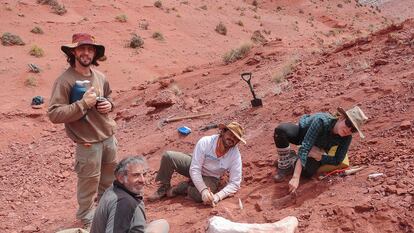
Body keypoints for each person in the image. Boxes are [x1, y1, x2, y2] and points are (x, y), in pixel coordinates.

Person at [48, 33, 117, 228]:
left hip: (109, 138)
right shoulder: (65, 81)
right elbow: (54, 114)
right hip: (88, 144)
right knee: (88, 186)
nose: (86, 53)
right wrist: (82, 104)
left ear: (94, 53)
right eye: (82, 49)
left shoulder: (100, 77)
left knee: (109, 182)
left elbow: (110, 97)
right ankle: (88, 220)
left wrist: (109, 105)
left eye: (90, 49)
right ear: (73, 52)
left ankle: (106, 214)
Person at [273, 106, 368, 193]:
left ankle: (293, 159)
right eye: (348, 123)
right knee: (281, 130)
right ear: (341, 117)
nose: (348, 130)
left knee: (308, 172)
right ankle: (284, 164)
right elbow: (305, 147)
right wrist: (295, 177)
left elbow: (338, 159)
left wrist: (320, 157)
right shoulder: (321, 121)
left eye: (353, 130)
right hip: (303, 134)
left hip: (318, 147)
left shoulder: (347, 138)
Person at [148, 122, 245, 207]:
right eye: (230, 134)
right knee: (168, 156)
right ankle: (163, 188)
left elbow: (235, 183)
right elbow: (195, 169)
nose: (232, 139)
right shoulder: (206, 142)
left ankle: (183, 188)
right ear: (223, 132)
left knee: (201, 197)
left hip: (211, 177)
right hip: (194, 165)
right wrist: (203, 190)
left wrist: (217, 197)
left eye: (235, 138)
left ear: (237, 142)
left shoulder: (235, 156)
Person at [90, 156, 169, 233]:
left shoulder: (113, 189)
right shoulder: (125, 202)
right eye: (136, 175)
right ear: (121, 178)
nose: (143, 180)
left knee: (162, 224)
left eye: (144, 174)